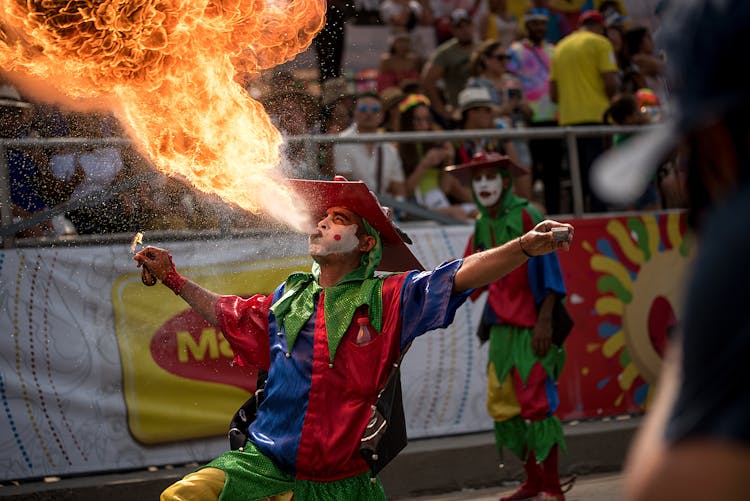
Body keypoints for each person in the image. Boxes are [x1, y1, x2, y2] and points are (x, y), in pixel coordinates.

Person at [134, 176, 574, 501]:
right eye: (322, 218)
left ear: (365, 245)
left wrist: (523, 247)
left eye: (338, 220)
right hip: (263, 467)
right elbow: (229, 313)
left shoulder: (389, 297)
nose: (323, 224)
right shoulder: (290, 294)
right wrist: (173, 278)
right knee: (182, 498)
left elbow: (457, 277)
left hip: (344, 486)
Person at [590, 1, 750, 499]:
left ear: (715, 142)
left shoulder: (738, 239)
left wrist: (686, 350)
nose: (682, 182)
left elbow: (670, 487)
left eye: (683, 156)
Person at [445, 152, 570, 501]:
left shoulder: (528, 213)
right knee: (503, 409)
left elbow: (552, 272)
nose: (483, 185)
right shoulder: (482, 223)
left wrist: (545, 319)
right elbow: (469, 271)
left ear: (505, 180)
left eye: (490, 177)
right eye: (478, 179)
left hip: (533, 327)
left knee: (538, 408)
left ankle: (554, 487)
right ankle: (533, 481)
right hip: (500, 327)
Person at [550, 9, 618, 212]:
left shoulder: (560, 47)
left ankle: (577, 216)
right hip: (597, 118)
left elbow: (553, 94)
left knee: (576, 176)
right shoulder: (600, 43)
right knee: (599, 174)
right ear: (600, 27)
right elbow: (610, 82)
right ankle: (600, 216)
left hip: (569, 121)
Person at [507, 8, 565, 215]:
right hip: (529, 119)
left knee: (553, 172)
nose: (540, 27)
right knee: (531, 171)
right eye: (535, 23)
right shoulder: (515, 51)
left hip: (554, 117)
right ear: (527, 25)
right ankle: (531, 216)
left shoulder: (554, 50)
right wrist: (520, 102)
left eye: (543, 23)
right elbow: (509, 79)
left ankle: (555, 214)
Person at [396, 92, 476, 220]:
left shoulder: (434, 142)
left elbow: (444, 189)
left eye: (427, 120)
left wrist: (449, 160)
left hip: (437, 200)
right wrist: (424, 164)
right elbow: (405, 191)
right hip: (416, 206)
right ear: (407, 121)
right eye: (418, 120)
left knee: (476, 213)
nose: (424, 125)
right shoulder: (398, 146)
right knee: (459, 214)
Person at [333, 91, 408, 199]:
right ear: (354, 112)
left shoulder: (389, 146)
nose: (369, 113)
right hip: (354, 208)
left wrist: (398, 210)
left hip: (385, 209)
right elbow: (345, 184)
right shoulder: (343, 141)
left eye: (375, 110)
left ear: (382, 115)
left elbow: (399, 188)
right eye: (363, 109)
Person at [419, 8, 476, 128]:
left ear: (473, 26)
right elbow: (427, 81)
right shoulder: (445, 53)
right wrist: (442, 110)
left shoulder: (482, 49)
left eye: (467, 25)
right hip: (459, 112)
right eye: (459, 27)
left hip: (485, 111)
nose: (464, 30)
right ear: (452, 30)